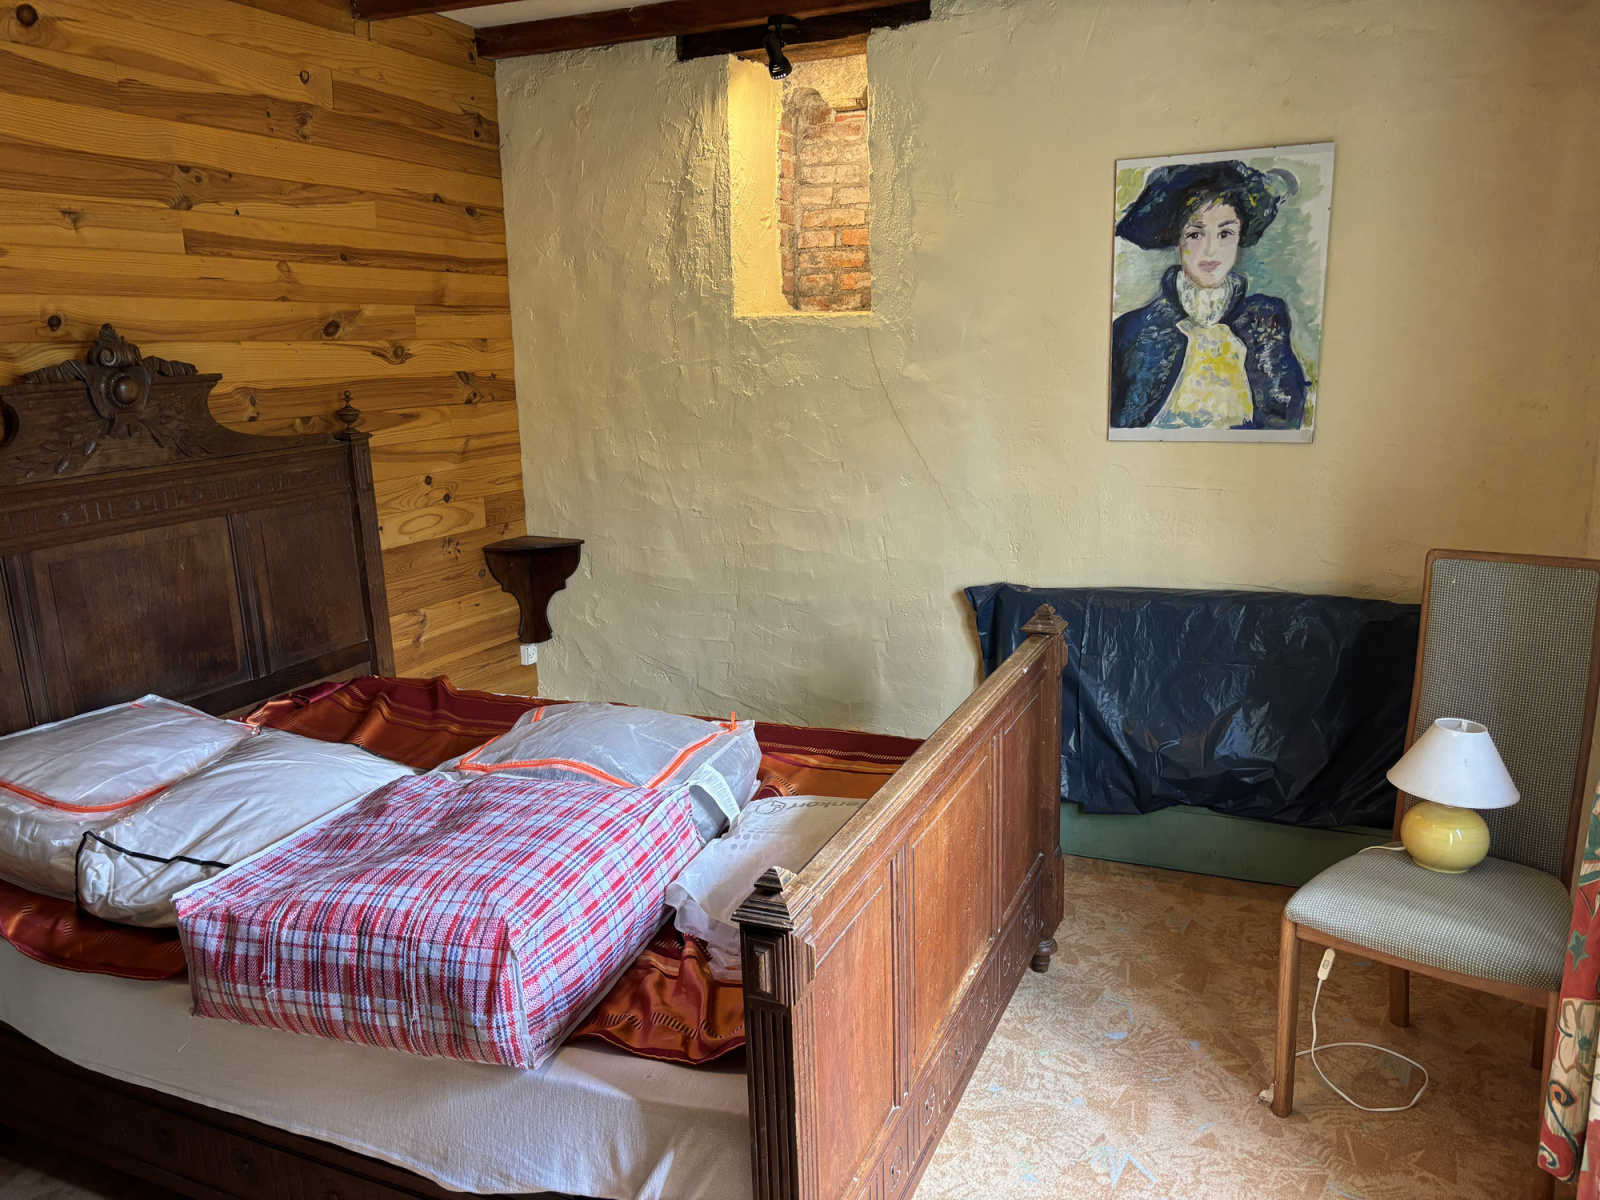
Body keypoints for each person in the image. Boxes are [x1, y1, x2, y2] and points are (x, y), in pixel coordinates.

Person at [1110, 160, 1307, 431]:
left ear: (1240, 237)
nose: (1210, 250)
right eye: (1195, 234)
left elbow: (1284, 421)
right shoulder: (1132, 329)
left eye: (1225, 233)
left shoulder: (1265, 320)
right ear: (1177, 241)